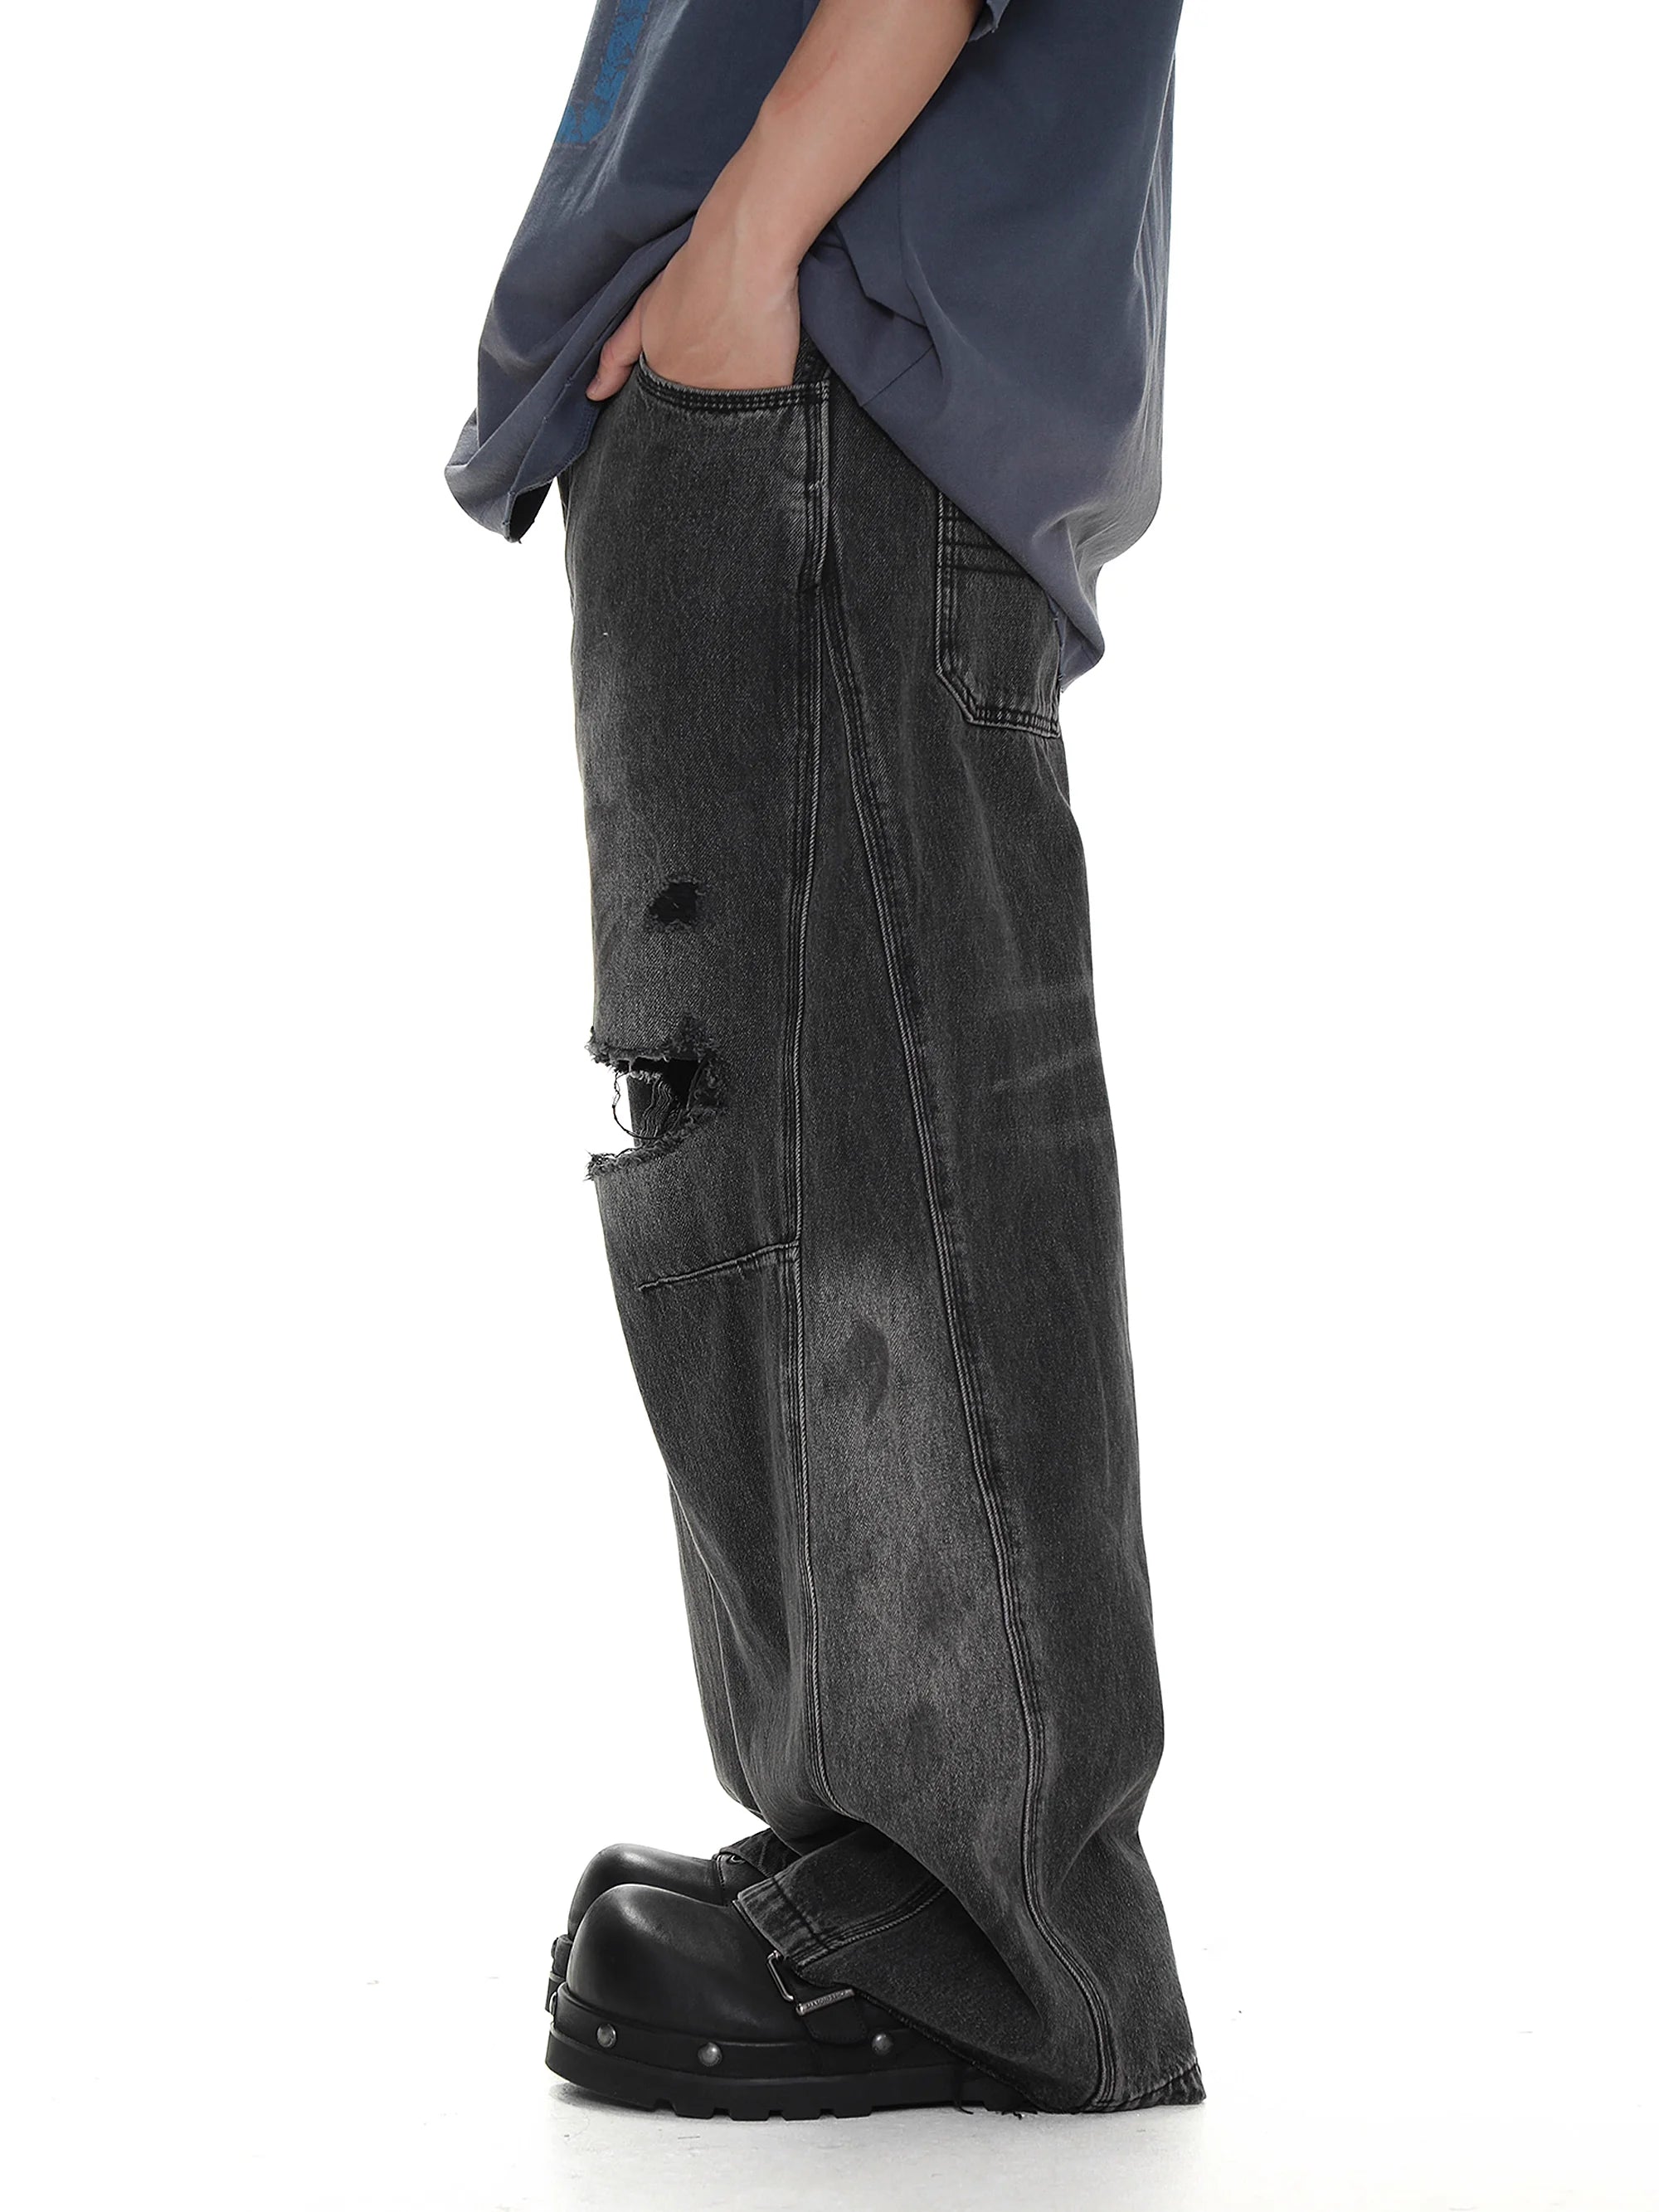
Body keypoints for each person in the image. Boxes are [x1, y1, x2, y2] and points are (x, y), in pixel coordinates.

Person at [447, 0, 1201, 2120]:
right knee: (788, 1128)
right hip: (790, 365)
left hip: (826, 360)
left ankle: (992, 1934)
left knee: (876, 1147)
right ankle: (890, 1853)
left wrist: (745, 245)